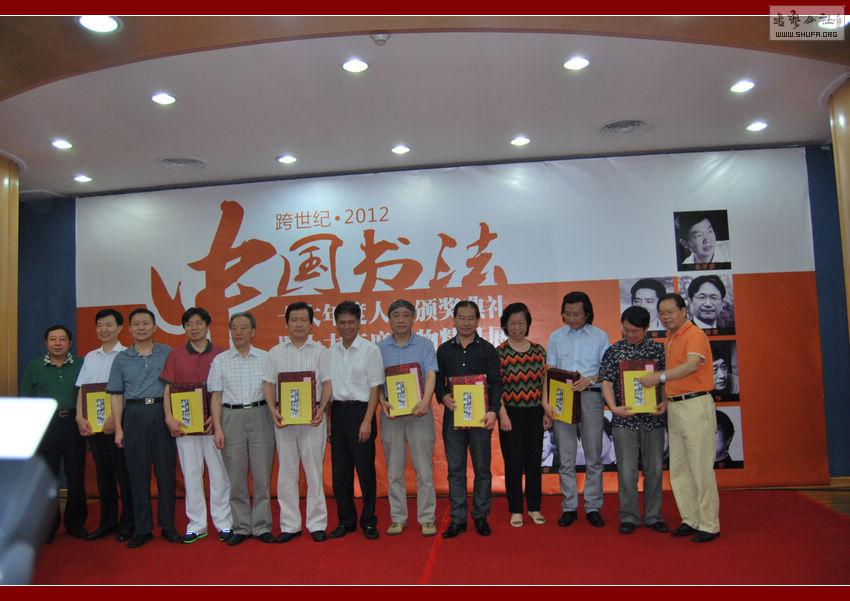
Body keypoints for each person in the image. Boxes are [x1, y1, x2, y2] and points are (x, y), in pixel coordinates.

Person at [639, 293, 720, 543]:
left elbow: (692, 365)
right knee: (679, 468)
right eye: (662, 313)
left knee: (700, 466)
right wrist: (665, 399)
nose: (665, 317)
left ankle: (709, 524)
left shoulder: (694, 334)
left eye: (670, 312)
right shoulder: (670, 338)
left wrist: (660, 377)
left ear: (684, 311)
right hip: (675, 406)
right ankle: (690, 518)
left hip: (695, 404)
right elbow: (674, 375)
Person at [160, 307, 233, 544]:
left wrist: (217, 418)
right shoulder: (175, 355)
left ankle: (224, 523)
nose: (194, 328)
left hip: (213, 425)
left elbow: (226, 391)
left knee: (219, 474)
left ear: (207, 326)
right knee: (191, 474)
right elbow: (168, 389)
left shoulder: (221, 354)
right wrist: (169, 417)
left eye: (198, 323)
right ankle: (197, 524)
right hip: (185, 426)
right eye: (189, 324)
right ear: (184, 328)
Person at [107, 308, 178, 548]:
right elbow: (116, 395)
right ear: (129, 329)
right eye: (136, 324)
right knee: (137, 474)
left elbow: (172, 387)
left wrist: (169, 416)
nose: (141, 327)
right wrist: (119, 428)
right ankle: (142, 528)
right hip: (133, 415)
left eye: (145, 323)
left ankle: (168, 526)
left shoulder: (167, 353)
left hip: (160, 413)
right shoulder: (121, 358)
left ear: (155, 327)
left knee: (166, 473)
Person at [262, 302, 331, 543]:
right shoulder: (275, 353)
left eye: (304, 320)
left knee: (314, 472)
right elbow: (268, 384)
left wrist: (322, 409)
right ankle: (290, 525)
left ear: (311, 324)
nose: (299, 324)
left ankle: (317, 523)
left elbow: (328, 384)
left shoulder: (321, 351)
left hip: (313, 420)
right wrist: (273, 410)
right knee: (287, 473)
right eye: (294, 320)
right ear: (287, 324)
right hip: (285, 420)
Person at [598, 306, 669, 535]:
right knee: (627, 471)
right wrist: (613, 407)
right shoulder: (614, 351)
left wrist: (664, 402)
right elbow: (606, 382)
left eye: (635, 331)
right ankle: (628, 516)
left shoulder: (657, 350)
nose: (629, 334)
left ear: (646, 328)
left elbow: (666, 380)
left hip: (653, 420)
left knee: (654, 470)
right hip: (624, 421)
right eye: (626, 330)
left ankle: (653, 516)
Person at [318, 300, 384, 540]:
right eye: (342, 322)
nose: (346, 327)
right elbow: (328, 389)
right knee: (340, 473)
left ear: (359, 323)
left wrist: (367, 420)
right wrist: (328, 420)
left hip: (361, 412)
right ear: (336, 324)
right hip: (338, 413)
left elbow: (375, 388)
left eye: (351, 322)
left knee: (365, 471)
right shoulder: (329, 353)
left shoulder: (370, 350)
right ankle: (346, 521)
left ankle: (369, 521)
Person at [435, 300, 501, 538]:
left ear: (477, 320)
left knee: (482, 469)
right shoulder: (444, 350)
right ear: (454, 320)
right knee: (456, 470)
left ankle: (481, 516)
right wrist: (443, 396)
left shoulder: (487, 350)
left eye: (470, 318)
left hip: (481, 418)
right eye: (461, 318)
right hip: (454, 416)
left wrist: (493, 410)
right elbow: (437, 381)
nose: (466, 322)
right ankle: (458, 519)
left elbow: (496, 383)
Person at [208, 312, 274, 546]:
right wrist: (218, 428)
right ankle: (241, 526)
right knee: (236, 477)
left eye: (244, 328)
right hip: (231, 417)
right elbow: (216, 397)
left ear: (253, 331)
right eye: (234, 328)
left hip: (260, 415)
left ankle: (262, 526)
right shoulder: (220, 360)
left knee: (262, 475)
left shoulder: (266, 358)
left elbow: (273, 391)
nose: (238, 332)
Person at [546, 291, 610, 529]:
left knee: (594, 455)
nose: (571, 318)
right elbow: (551, 370)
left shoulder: (600, 336)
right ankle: (569, 507)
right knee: (566, 456)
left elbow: (607, 370)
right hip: (562, 398)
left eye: (576, 314)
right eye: (567, 314)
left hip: (591, 396)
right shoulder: (556, 337)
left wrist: (589, 379)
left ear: (587, 314)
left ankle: (593, 506)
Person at [376, 299, 439, 537]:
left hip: (419, 413)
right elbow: (376, 381)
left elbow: (431, 374)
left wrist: (426, 400)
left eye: (405, 315)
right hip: (392, 415)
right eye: (396, 315)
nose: (401, 320)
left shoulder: (424, 345)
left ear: (413, 318)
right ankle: (398, 518)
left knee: (424, 471)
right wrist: (382, 401)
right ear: (389, 320)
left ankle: (427, 518)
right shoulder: (379, 348)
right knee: (394, 471)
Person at [21, 324, 86, 542]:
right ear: (46, 343)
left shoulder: (81, 365)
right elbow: (26, 402)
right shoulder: (34, 368)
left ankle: (75, 523)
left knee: (75, 474)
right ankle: (48, 526)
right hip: (46, 426)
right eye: (53, 339)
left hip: (74, 424)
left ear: (70, 343)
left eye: (62, 339)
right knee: (47, 477)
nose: (58, 343)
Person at [75, 308, 134, 542]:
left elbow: (129, 390)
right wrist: (79, 416)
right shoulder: (90, 357)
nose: (103, 329)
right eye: (99, 325)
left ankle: (128, 523)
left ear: (119, 328)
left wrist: (115, 418)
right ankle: (107, 522)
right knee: (103, 475)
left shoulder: (127, 355)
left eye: (108, 325)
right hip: (94, 426)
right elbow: (83, 389)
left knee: (124, 474)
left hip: (119, 425)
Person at [496, 302, 551, 528]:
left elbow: (544, 382)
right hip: (510, 414)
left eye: (521, 323)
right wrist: (502, 414)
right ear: (505, 326)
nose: (517, 327)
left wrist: (545, 409)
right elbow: (496, 387)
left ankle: (535, 507)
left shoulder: (539, 351)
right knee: (513, 463)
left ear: (528, 324)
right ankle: (516, 509)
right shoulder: (499, 352)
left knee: (533, 463)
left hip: (535, 413)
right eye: (513, 323)